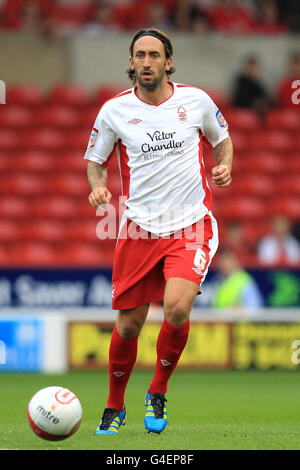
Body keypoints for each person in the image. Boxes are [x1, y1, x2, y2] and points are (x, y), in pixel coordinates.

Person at [84, 28, 233, 436]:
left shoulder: (196, 101)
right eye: (139, 55)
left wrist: (225, 165)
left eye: (154, 55)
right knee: (129, 326)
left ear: (168, 61)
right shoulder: (114, 111)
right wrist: (97, 185)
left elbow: (223, 139)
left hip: (191, 225)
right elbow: (95, 160)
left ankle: (157, 391)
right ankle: (115, 406)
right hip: (138, 230)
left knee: (177, 308)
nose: (146, 62)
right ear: (131, 62)